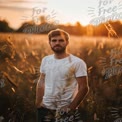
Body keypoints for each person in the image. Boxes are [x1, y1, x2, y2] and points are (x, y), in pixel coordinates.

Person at [35, 29, 89, 122]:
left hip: (65, 111)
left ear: (67, 42)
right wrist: (38, 102)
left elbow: (84, 87)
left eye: (61, 40)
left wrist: (71, 108)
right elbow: (41, 81)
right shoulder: (46, 60)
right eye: (54, 40)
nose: (57, 43)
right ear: (49, 43)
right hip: (45, 109)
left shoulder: (77, 62)